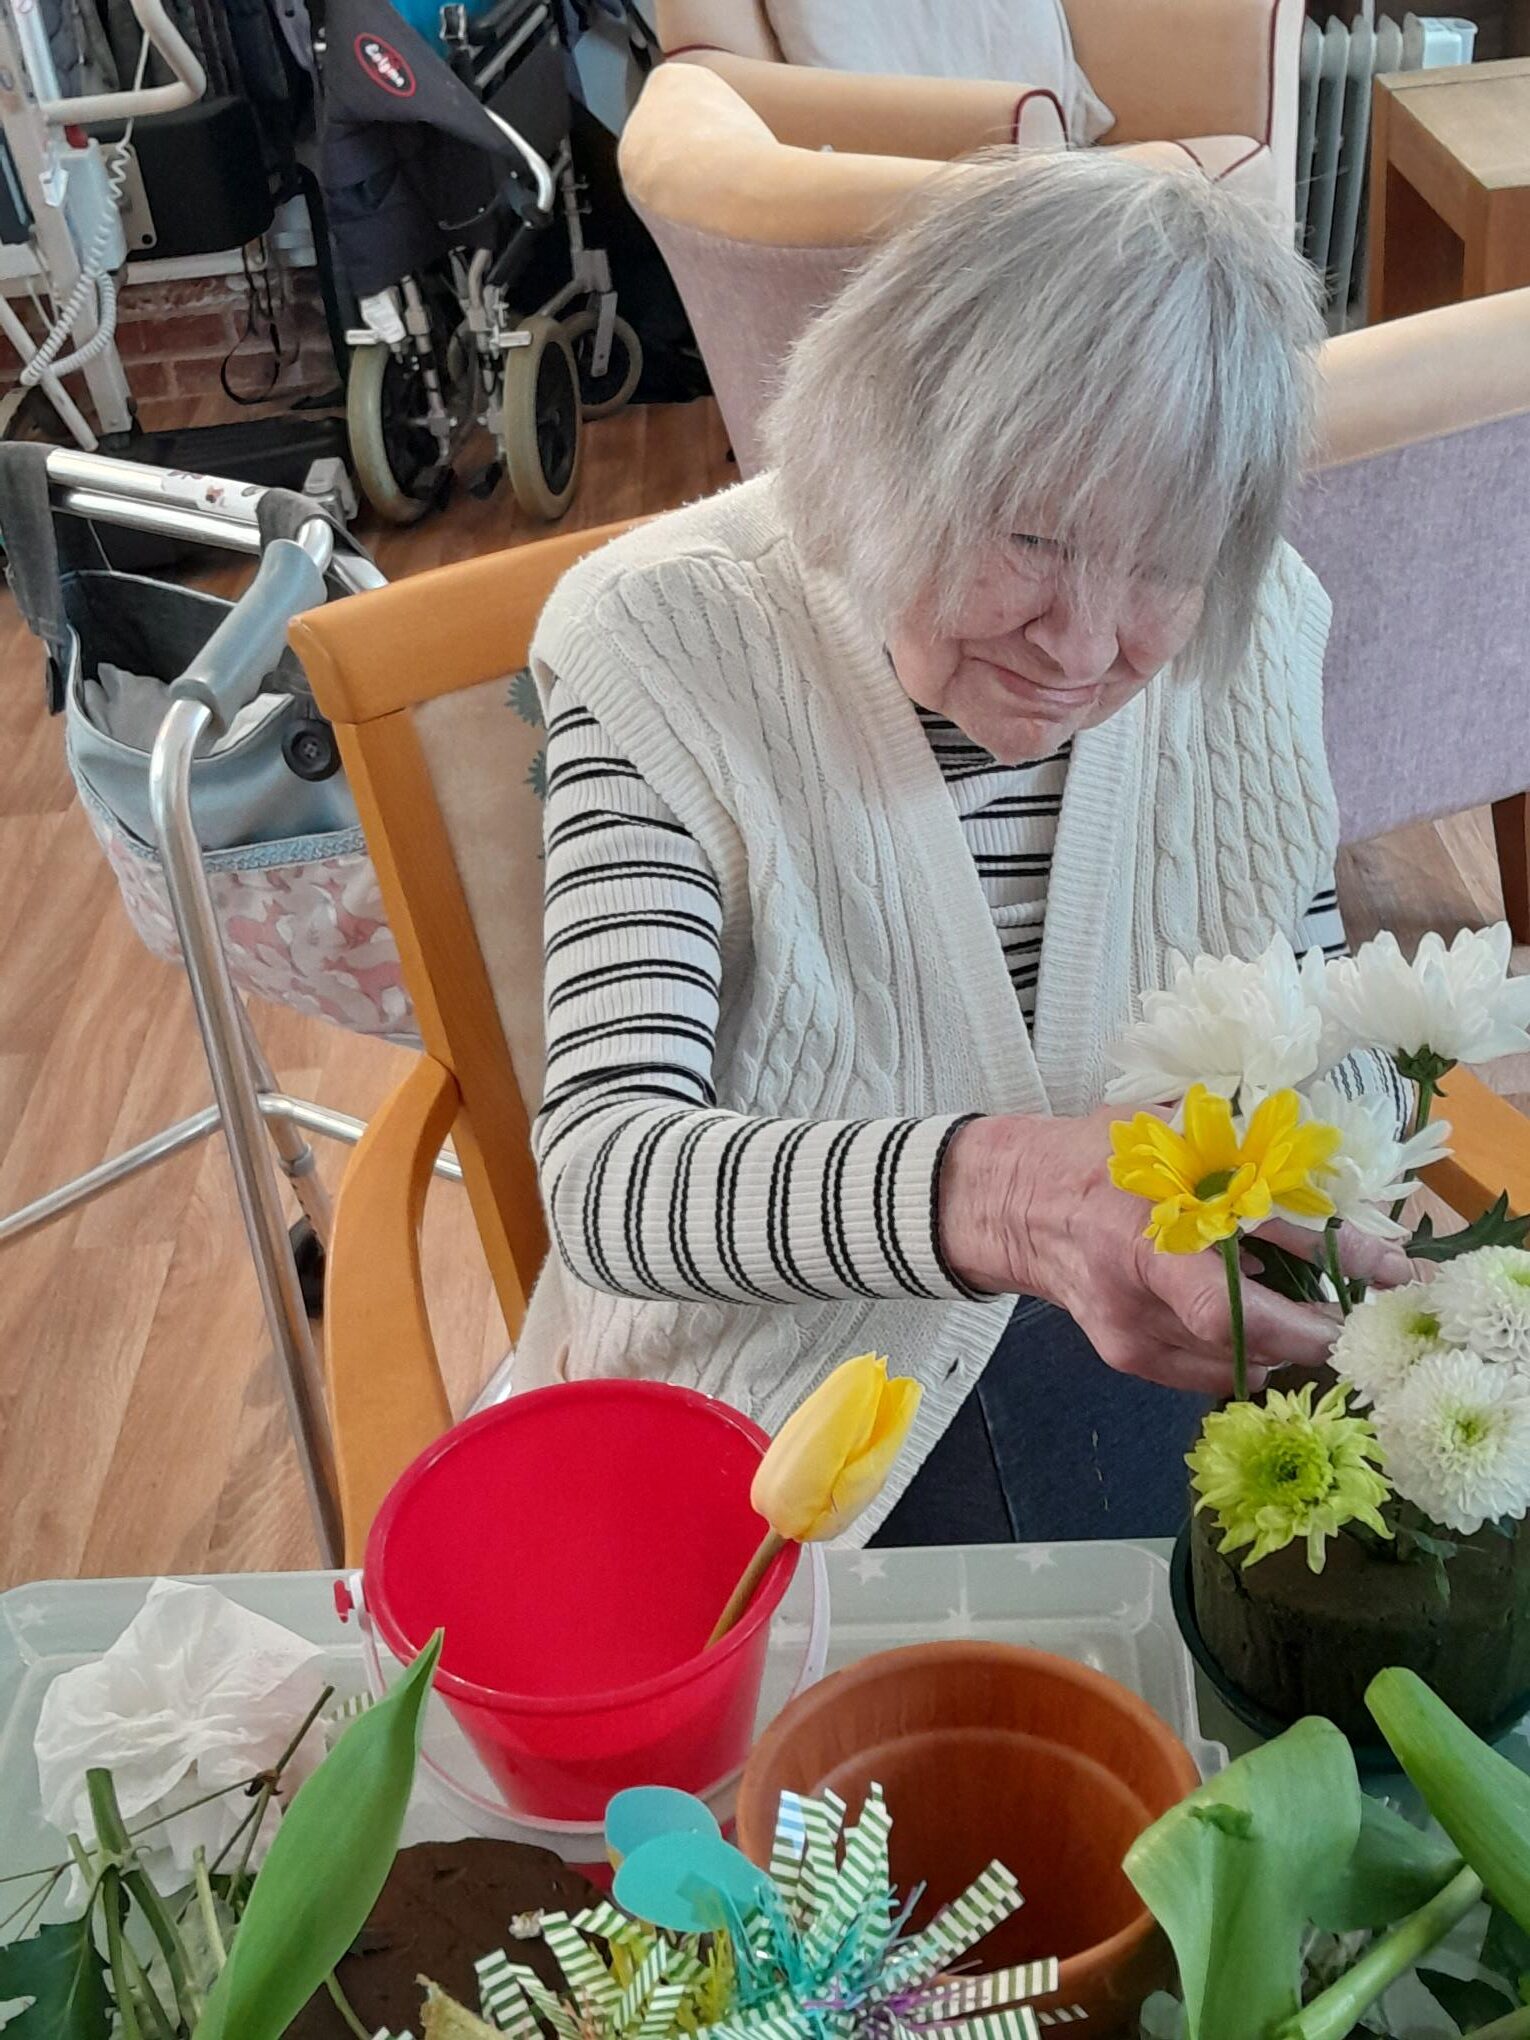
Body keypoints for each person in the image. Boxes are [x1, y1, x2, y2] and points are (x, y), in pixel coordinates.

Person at [517, 149, 1410, 1545]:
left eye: (1163, 565)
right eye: (1033, 540)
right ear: (877, 454)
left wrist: (1346, 1150)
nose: (1082, 645)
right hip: (785, 1403)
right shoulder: (664, 644)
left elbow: (1304, 984)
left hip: (1165, 1326)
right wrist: (1005, 1192)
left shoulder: (1260, 626)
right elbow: (610, 1174)